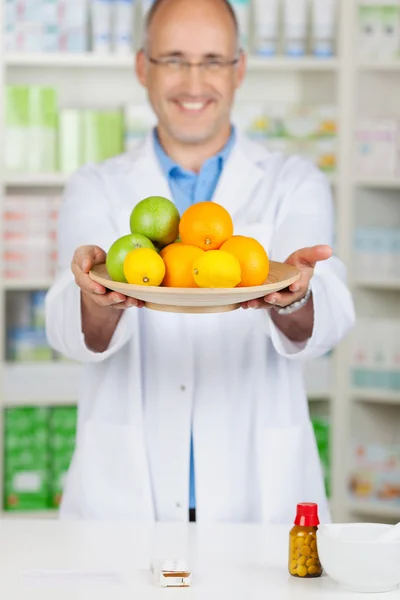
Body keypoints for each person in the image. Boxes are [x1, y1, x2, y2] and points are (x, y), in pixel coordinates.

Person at [45, 0, 355, 523]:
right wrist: (95, 295)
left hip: (260, 498)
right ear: (143, 67)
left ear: (240, 69)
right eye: (174, 59)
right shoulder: (96, 185)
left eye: (212, 60)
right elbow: (70, 329)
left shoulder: (292, 180)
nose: (194, 82)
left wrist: (297, 293)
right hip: (124, 501)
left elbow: (328, 318)